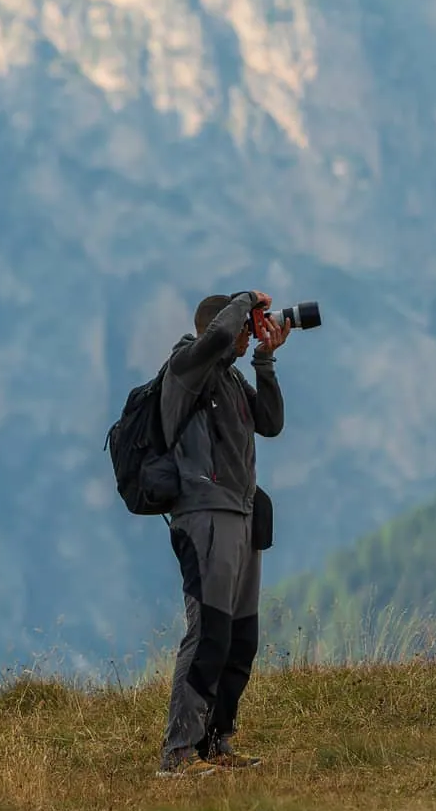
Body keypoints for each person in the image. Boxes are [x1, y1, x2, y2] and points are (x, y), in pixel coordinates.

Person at [156, 290, 290, 778]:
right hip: (204, 514)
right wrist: (244, 300)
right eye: (245, 326)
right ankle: (178, 754)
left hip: (244, 514)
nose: (248, 331)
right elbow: (214, 336)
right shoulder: (185, 368)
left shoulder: (230, 377)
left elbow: (271, 424)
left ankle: (216, 741)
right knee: (208, 633)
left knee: (239, 638)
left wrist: (265, 360)